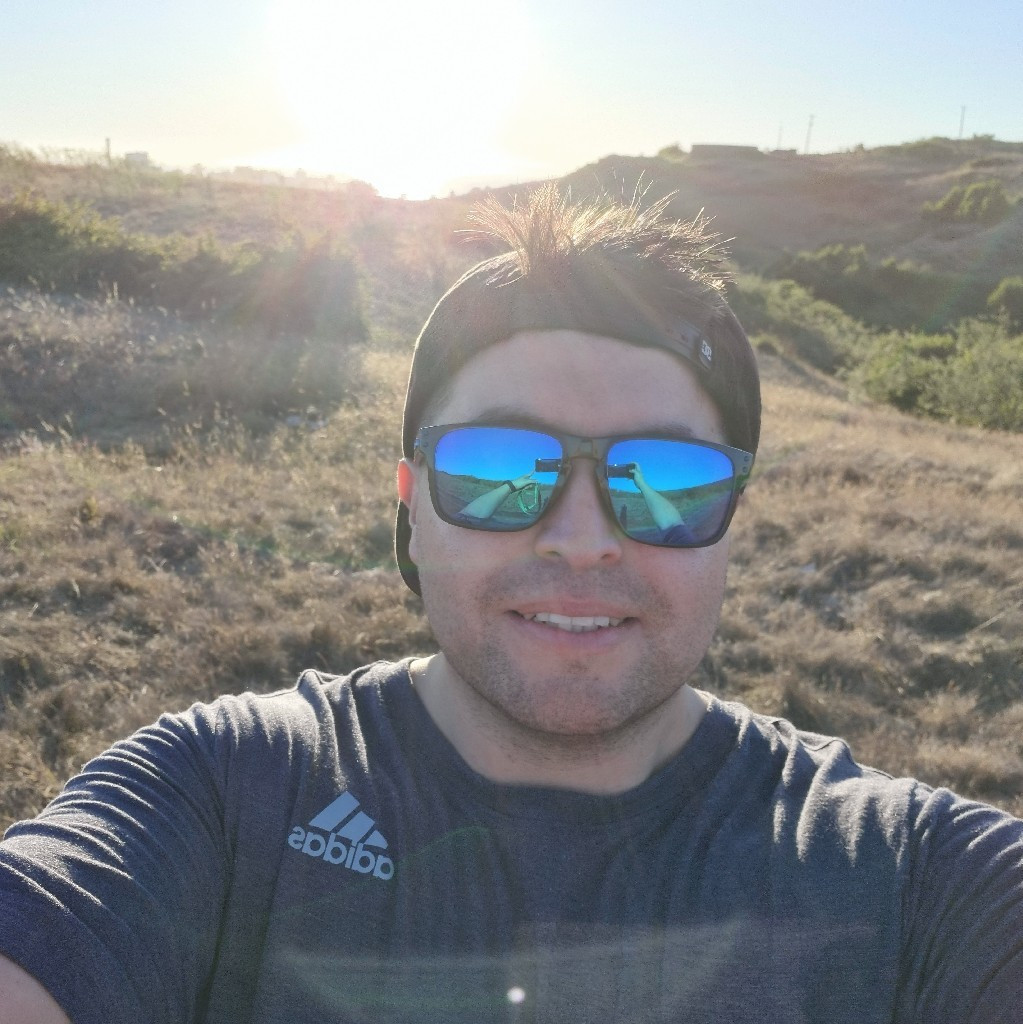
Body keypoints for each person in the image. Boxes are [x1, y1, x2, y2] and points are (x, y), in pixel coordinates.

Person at [1, 185, 1021, 1024]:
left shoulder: (908, 875)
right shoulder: (221, 793)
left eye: (664, 479)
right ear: (410, 507)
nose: (581, 538)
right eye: (498, 467)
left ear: (730, 521)